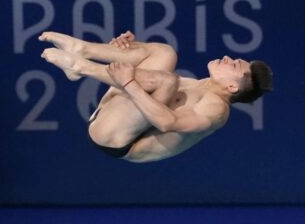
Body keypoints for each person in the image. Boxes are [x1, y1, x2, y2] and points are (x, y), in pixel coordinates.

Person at [39, 31, 273, 163]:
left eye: (234, 65)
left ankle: (82, 67)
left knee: (167, 81)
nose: (227, 58)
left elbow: (166, 122)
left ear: (232, 87)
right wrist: (129, 48)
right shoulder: (201, 84)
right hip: (114, 114)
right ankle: (84, 51)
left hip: (118, 139)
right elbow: (146, 78)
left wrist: (128, 82)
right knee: (165, 53)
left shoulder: (216, 110)